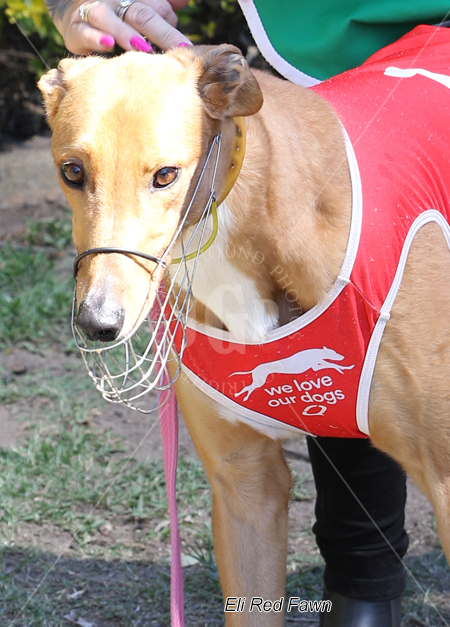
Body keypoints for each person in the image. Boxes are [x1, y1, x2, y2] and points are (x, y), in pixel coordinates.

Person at [42, 1, 450, 625]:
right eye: (76, 174)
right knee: (243, 475)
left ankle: (364, 589)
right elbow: (244, 490)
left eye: (162, 176)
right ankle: (360, 594)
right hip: (308, 49)